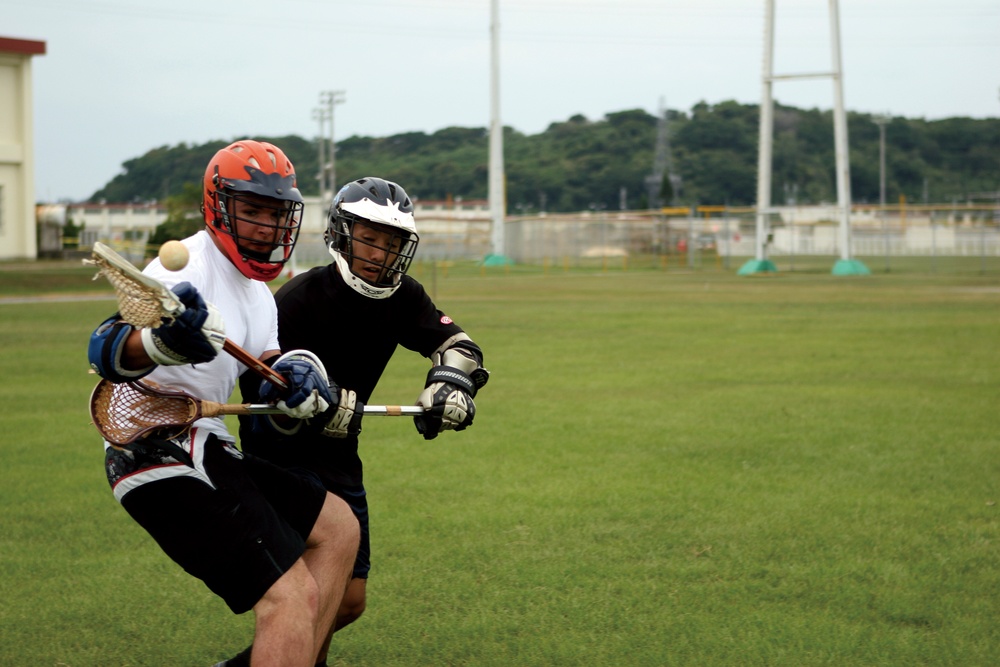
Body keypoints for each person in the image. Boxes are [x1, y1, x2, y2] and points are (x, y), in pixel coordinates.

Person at [88, 140, 360, 667]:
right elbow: (106, 350)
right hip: (155, 453)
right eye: (252, 209)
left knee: (338, 527)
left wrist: (297, 382)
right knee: (290, 598)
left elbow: (266, 375)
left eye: (276, 213)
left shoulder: (259, 293)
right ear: (219, 207)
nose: (266, 225)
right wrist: (160, 343)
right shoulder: (183, 270)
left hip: (207, 444)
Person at [233, 176, 489, 665]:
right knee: (314, 591)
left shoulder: (405, 297)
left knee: (348, 603)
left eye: (391, 242)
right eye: (369, 237)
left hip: (341, 458)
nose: (379, 252)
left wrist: (450, 382)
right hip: (283, 459)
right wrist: (309, 413)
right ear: (341, 234)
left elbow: (460, 347)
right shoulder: (299, 298)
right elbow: (257, 401)